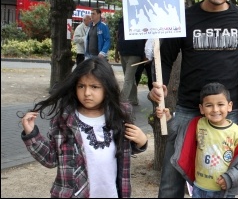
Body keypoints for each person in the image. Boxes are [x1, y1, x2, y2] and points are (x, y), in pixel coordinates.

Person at [148, 0, 238, 198]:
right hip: (188, 110)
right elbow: (165, 59)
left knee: (223, 181)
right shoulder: (183, 18)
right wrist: (159, 85)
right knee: (171, 180)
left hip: (227, 112)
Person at [18, 57, 148, 198]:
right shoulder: (65, 119)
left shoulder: (119, 115)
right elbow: (51, 159)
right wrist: (31, 134)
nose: (87, 93)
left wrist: (142, 141)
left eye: (94, 87)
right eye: (81, 86)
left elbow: (122, 151)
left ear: (107, 88)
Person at [156, 82, 238, 198]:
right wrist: (169, 119)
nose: (215, 109)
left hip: (223, 192)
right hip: (198, 189)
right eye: (209, 105)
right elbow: (178, 137)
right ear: (201, 108)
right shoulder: (197, 124)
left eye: (220, 104)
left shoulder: (236, 132)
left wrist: (230, 178)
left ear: (229, 106)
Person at [117, 17, 146, 106]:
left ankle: (121, 101)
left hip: (135, 53)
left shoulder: (140, 18)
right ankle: (133, 99)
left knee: (128, 79)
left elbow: (144, 36)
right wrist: (117, 51)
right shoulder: (121, 20)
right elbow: (118, 35)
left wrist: (144, 54)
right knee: (130, 78)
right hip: (124, 52)